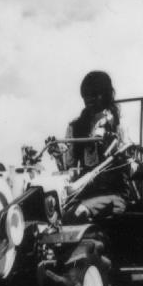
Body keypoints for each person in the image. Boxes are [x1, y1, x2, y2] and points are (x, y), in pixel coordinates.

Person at [51, 71, 128, 223]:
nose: (89, 99)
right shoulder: (75, 127)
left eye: (94, 94)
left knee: (75, 214)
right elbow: (68, 168)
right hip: (83, 194)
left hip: (112, 193)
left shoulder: (118, 126)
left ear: (106, 94)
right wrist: (58, 155)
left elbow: (128, 166)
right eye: (85, 95)